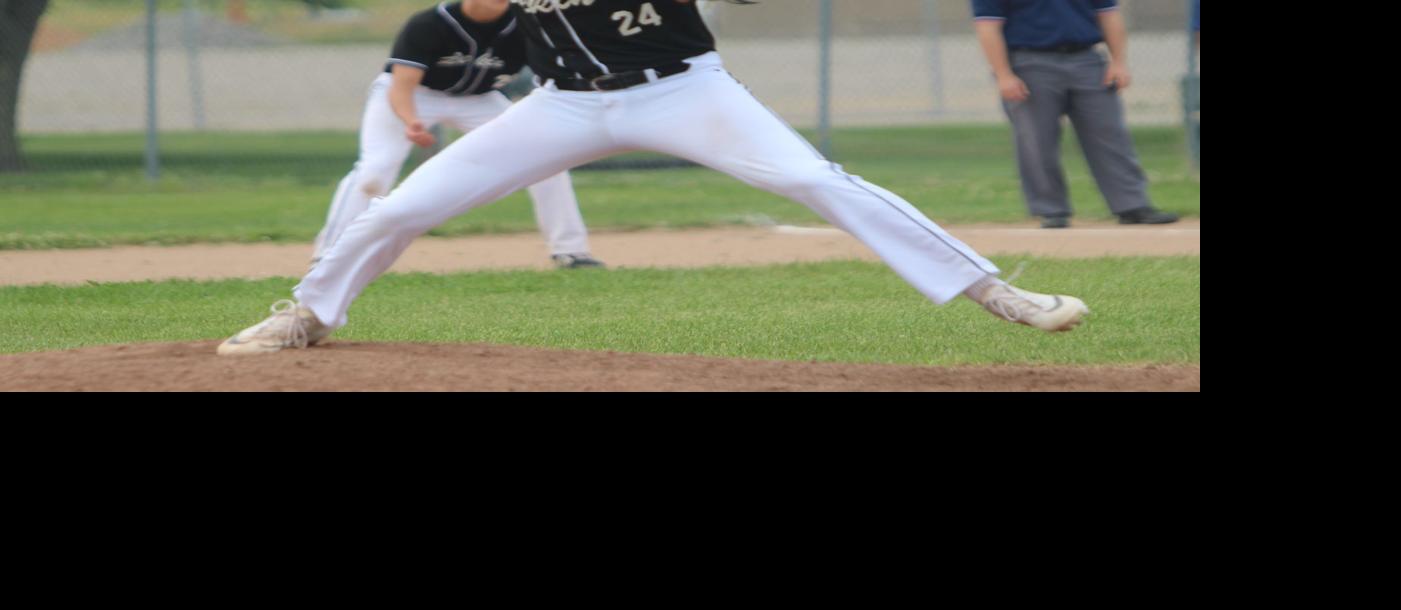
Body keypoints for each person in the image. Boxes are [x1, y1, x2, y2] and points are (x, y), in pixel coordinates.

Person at [217, 0, 1088, 356]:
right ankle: (310, 313)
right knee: (404, 201)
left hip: (682, 92)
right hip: (561, 103)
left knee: (817, 180)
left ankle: (994, 292)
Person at [314, 0, 604, 270]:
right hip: (416, 96)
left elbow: (551, 71)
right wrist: (411, 121)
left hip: (480, 99)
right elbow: (401, 85)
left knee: (547, 162)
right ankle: (328, 254)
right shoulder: (430, 23)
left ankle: (571, 250)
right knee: (374, 171)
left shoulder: (523, 24)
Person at [972, 0, 1178, 229]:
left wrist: (1118, 62)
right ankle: (1051, 210)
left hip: (1087, 60)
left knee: (1110, 135)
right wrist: (1003, 75)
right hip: (1029, 61)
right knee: (1036, 140)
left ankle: (1132, 205)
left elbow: (1108, 14)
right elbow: (988, 26)